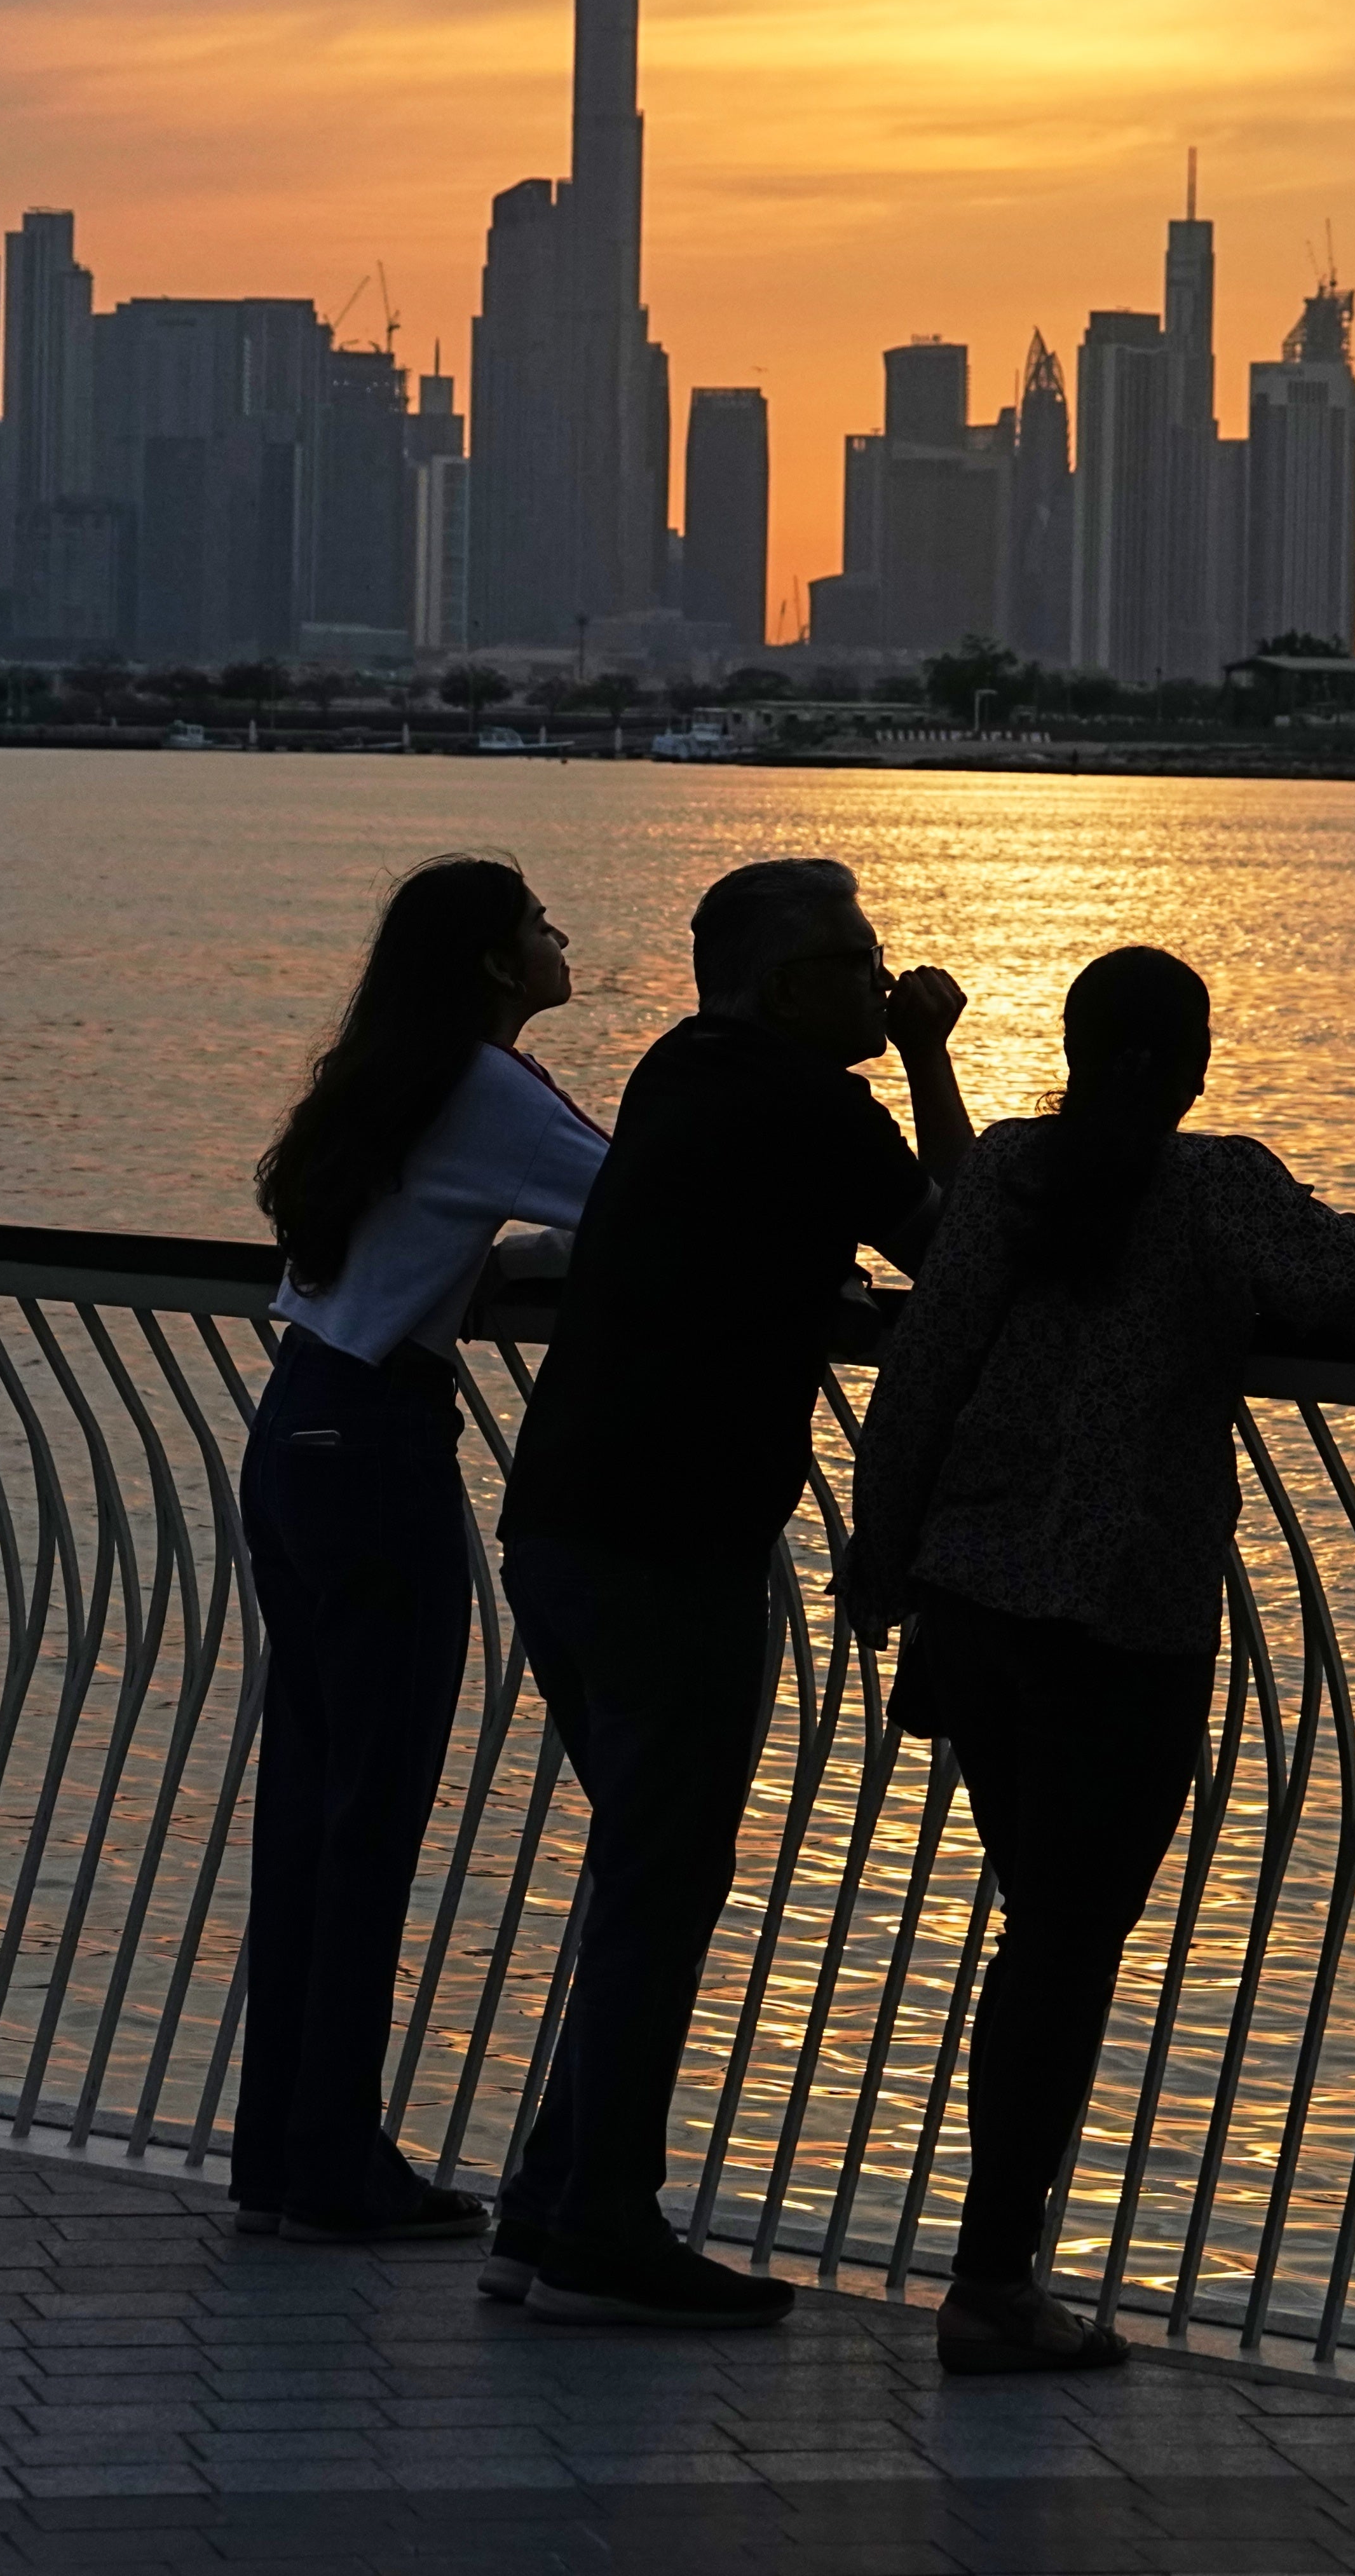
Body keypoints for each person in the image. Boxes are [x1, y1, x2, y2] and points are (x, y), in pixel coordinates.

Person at [842, 945, 1355, 2376]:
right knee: (1066, 1940)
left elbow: (922, 1376)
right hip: (1131, 1619)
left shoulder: (1003, 1177)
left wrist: (878, 1569)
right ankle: (994, 2281)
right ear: (1195, 1062)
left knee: (1039, 1928)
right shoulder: (1219, 1191)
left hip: (976, 1596)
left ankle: (996, 2272)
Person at [484, 858, 970, 2327]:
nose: (882, 980)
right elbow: (961, 1242)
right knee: (664, 1877)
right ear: (783, 982)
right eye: (856, 957)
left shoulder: (682, 1071)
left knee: (645, 1865)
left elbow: (718, 1241)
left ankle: (550, 2209)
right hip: (668, 1541)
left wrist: (802, 1283)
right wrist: (939, 1051)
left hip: (569, 1518)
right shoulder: (808, 1101)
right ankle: (602, 2231)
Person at [232, 856, 601, 2244]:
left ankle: (283, 2149)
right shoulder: (495, 1087)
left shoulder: (392, 1075)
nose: (564, 937)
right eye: (540, 925)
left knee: (314, 1807)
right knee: (374, 1814)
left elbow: (420, 1242)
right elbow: (641, 1202)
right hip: (377, 1446)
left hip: (299, 1431)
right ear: (501, 965)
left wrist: (495, 1269)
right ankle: (335, 2163)